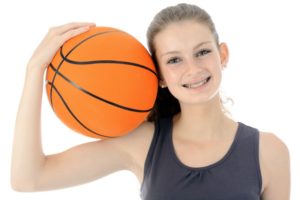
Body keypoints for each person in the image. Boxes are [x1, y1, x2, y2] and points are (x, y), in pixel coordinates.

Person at [11, 3, 290, 200]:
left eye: (202, 52)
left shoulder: (269, 151)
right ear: (160, 75)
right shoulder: (142, 143)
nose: (193, 69)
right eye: (174, 59)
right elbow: (28, 179)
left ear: (223, 55)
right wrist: (34, 69)